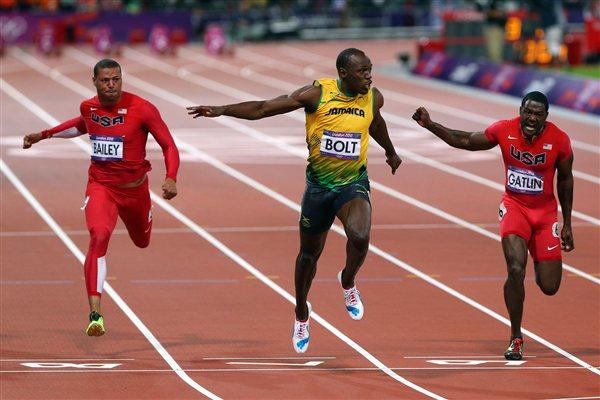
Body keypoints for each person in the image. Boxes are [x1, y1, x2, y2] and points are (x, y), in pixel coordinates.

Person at [187, 48, 402, 353]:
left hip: (352, 183)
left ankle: (347, 280)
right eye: (362, 71)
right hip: (318, 190)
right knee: (308, 257)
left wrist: (390, 151)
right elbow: (263, 108)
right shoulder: (315, 95)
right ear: (343, 73)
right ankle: (301, 311)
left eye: (370, 70)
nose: (369, 76)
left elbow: (375, 123)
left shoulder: (372, 97)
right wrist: (223, 109)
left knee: (360, 235)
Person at [23, 59, 180, 337]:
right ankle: (95, 314)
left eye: (116, 79)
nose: (111, 85)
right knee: (99, 235)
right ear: (94, 81)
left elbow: (168, 144)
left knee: (142, 242)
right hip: (101, 186)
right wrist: (43, 135)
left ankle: (145, 213)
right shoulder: (89, 107)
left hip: (135, 190)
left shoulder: (142, 108)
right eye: (105, 80)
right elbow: (81, 125)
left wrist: (171, 177)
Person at [412, 91, 574, 360]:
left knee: (549, 286)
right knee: (515, 268)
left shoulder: (559, 140)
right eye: (528, 112)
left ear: (546, 117)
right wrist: (430, 124)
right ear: (520, 110)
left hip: (545, 215)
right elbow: (464, 140)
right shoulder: (504, 129)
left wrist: (567, 222)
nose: (531, 118)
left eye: (538, 114)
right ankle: (516, 337)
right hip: (515, 208)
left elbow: (566, 181)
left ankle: (539, 251)